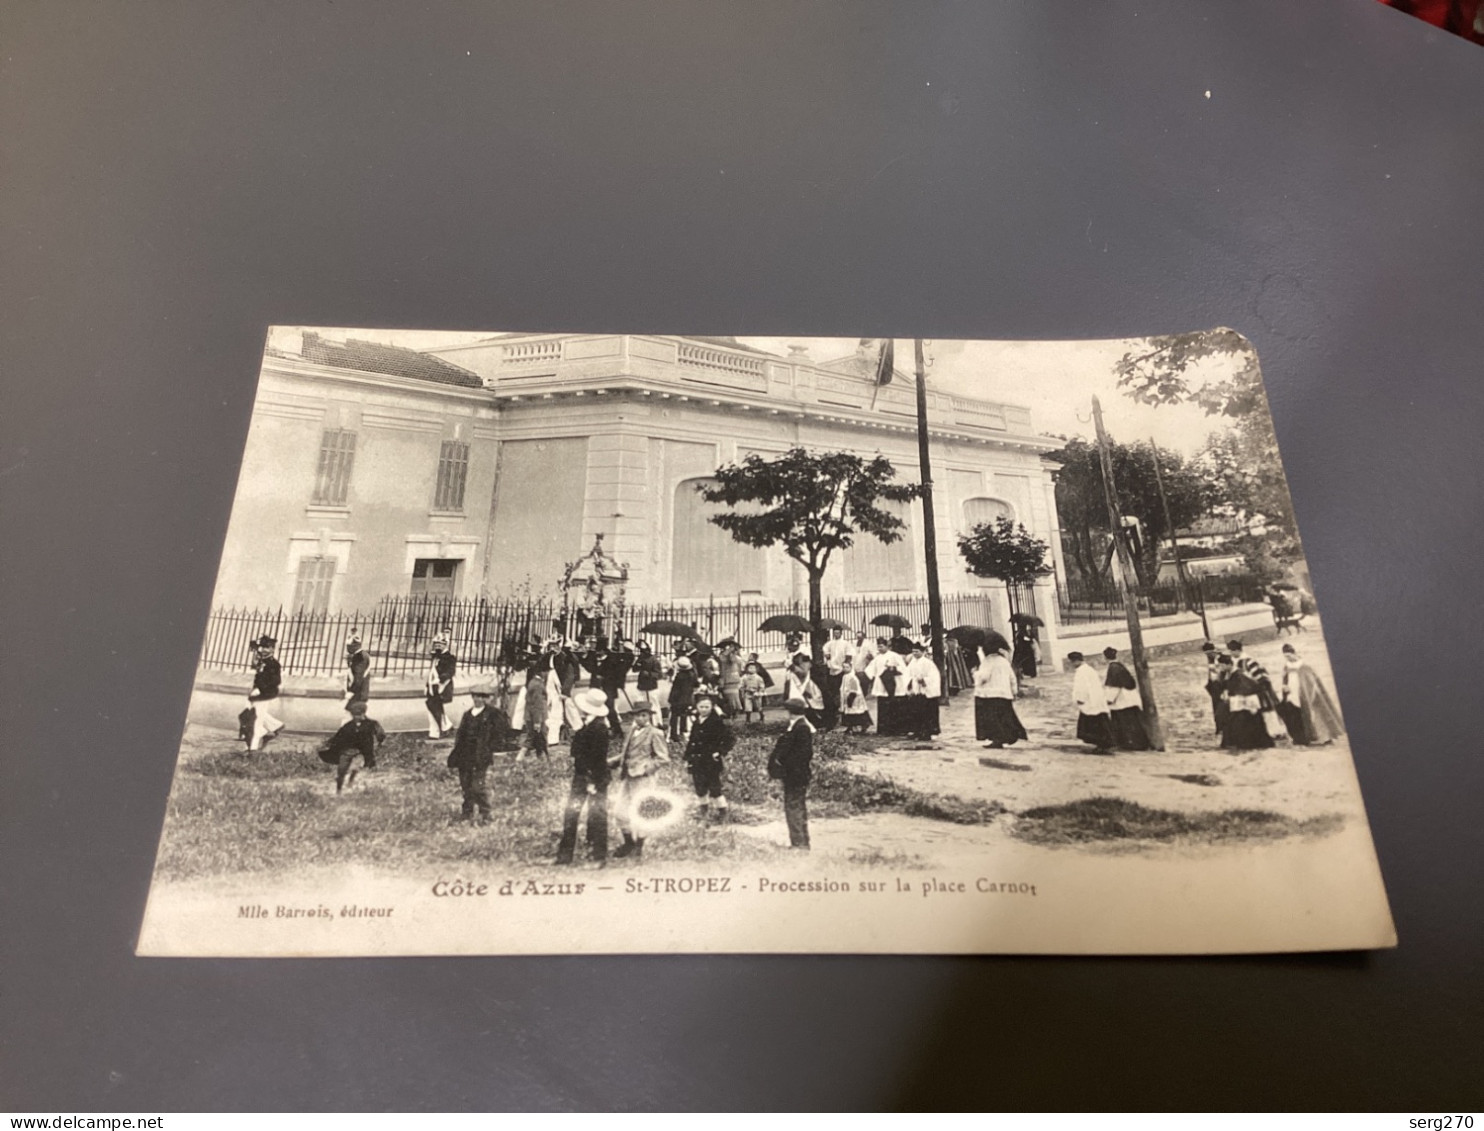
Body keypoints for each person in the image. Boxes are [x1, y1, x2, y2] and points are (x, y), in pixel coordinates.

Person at [556, 688, 613, 864]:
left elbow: (598, 758)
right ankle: (566, 856)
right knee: (572, 813)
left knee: (596, 816)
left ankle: (598, 856)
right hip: (582, 776)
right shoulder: (588, 724)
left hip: (593, 778)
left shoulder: (599, 728)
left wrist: (592, 781)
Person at [608, 702, 670, 859]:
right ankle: (628, 842)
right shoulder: (632, 730)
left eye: (644, 715)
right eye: (637, 715)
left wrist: (646, 769)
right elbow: (626, 752)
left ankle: (639, 846)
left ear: (649, 716)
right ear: (633, 717)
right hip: (627, 777)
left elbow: (663, 758)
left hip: (642, 779)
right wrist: (612, 762)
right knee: (619, 811)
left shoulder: (655, 733)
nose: (640, 718)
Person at [446, 681, 503, 823]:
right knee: (466, 786)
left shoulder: (492, 714)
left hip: (480, 756)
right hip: (465, 755)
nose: (479, 699)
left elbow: (499, 734)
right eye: (476, 696)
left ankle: (486, 814)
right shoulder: (467, 715)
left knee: (477, 786)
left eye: (482, 697)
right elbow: (460, 735)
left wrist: (489, 747)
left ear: (487, 698)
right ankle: (467, 813)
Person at [767, 699, 815, 849]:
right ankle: (801, 841)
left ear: (790, 712)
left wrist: (784, 767)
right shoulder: (798, 726)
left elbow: (803, 754)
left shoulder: (801, 728)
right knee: (796, 807)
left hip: (795, 775)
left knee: (793, 808)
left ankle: (799, 843)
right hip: (795, 774)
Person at [1278, 643, 1345, 745]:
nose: (1288, 658)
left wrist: (1309, 692)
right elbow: (1284, 679)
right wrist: (1284, 686)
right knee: (1298, 716)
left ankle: (1325, 738)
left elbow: (1311, 681)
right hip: (1293, 694)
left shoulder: (1305, 666)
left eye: (1289, 656)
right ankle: (1304, 738)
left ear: (1294, 653)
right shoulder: (1286, 666)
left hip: (1310, 694)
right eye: (1285, 656)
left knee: (1316, 714)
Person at [683, 694, 734, 822]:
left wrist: (719, 752)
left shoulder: (716, 722)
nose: (704, 709)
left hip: (710, 761)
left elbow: (730, 739)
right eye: (701, 706)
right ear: (697, 707)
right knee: (700, 787)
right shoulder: (696, 722)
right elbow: (692, 741)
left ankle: (723, 812)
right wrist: (687, 757)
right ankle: (704, 812)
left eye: (707, 707)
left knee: (715, 787)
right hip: (696, 761)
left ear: (712, 707)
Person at [317, 699, 385, 794]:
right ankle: (338, 790)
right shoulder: (348, 726)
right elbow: (337, 737)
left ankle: (351, 779)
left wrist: (380, 742)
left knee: (356, 766)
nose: (356, 717)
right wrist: (328, 743)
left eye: (358, 715)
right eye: (354, 715)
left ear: (363, 714)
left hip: (361, 751)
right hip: (347, 751)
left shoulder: (372, 724)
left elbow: (380, 734)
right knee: (341, 771)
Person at [1228, 638, 1286, 742]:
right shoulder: (1233, 662)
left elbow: (1262, 676)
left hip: (1258, 691)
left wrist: (1262, 688)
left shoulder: (1249, 661)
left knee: (1266, 711)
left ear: (1237, 650)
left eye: (1232, 651)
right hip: (1244, 693)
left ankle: (1275, 732)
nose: (1231, 653)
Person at [973, 643, 1027, 749]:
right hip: (1004, 693)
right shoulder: (1004, 661)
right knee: (1004, 717)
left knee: (993, 719)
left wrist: (975, 673)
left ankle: (997, 739)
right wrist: (1014, 691)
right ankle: (1009, 736)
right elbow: (1012, 677)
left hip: (990, 694)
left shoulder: (988, 661)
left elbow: (984, 677)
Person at [1217, 654, 1275, 750]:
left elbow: (1246, 690)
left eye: (1221, 665)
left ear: (1228, 664)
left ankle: (1248, 744)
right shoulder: (1230, 674)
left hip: (1246, 703)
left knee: (1244, 723)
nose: (1220, 668)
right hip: (1238, 703)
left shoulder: (1239, 675)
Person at [1102, 646, 1151, 750]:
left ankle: (1130, 744)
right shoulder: (1119, 666)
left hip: (1122, 700)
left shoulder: (1113, 668)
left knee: (1124, 723)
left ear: (1105, 658)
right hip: (1129, 698)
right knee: (1132, 722)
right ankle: (1137, 743)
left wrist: (1109, 699)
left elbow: (1114, 686)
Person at [1068, 651, 1114, 755]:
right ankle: (1103, 744)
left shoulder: (1081, 672)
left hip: (1090, 700)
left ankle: (1102, 744)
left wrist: (1080, 698)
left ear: (1076, 661)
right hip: (1095, 699)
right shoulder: (1088, 669)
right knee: (1100, 721)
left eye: (1072, 662)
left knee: (1093, 724)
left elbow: (1082, 687)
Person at [245, 635, 284, 751]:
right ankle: (275, 725)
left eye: (266, 647)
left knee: (257, 719)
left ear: (272, 649)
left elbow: (277, 681)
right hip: (257, 692)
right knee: (250, 713)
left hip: (265, 694)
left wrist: (262, 689)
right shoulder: (261, 660)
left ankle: (253, 749)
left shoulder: (274, 664)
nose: (263, 650)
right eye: (262, 647)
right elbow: (254, 666)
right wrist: (254, 650)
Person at [868, 639, 911, 736]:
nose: (880, 648)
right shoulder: (877, 658)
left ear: (887, 647)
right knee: (883, 707)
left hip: (894, 684)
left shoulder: (895, 656)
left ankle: (898, 730)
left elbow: (903, 668)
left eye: (882, 646)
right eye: (878, 646)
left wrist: (893, 668)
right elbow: (870, 670)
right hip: (881, 684)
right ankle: (884, 730)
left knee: (895, 707)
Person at [903, 644, 942, 741]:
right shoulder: (912, 662)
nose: (915, 654)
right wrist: (910, 682)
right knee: (916, 712)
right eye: (913, 652)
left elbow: (934, 677)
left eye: (917, 651)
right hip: (916, 691)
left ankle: (926, 733)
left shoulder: (928, 663)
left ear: (923, 652)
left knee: (926, 713)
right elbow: (907, 675)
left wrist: (924, 680)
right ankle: (917, 731)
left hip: (926, 692)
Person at [424, 633, 457, 740]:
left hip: (443, 686)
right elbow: (431, 672)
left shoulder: (450, 658)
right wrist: (427, 685)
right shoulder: (435, 657)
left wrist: (441, 679)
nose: (438, 646)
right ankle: (445, 727)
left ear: (445, 645)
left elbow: (450, 672)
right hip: (432, 687)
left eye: (441, 644)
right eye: (436, 644)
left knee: (433, 706)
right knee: (434, 707)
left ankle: (436, 732)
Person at [782, 655, 825, 729]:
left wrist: (792, 666)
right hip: (802, 689)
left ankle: (818, 722)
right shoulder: (794, 669)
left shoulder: (806, 666)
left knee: (814, 704)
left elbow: (802, 673)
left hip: (811, 687)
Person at [516, 666, 549, 761]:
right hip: (536, 717)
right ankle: (520, 757)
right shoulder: (538, 685)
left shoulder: (533, 682)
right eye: (546, 671)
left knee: (538, 739)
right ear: (541, 672)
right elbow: (537, 705)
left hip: (531, 717)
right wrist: (537, 721)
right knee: (535, 738)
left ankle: (542, 758)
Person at [822, 626, 853, 728]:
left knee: (842, 691)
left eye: (838, 633)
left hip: (841, 669)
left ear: (841, 633)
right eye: (835, 633)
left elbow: (849, 655)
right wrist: (827, 655)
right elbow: (825, 649)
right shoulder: (830, 643)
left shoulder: (845, 643)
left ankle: (843, 712)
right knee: (833, 691)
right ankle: (835, 712)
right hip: (832, 669)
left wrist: (845, 666)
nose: (836, 634)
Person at [1201, 641, 1230, 738]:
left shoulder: (1220, 659)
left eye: (1209, 653)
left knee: (1221, 707)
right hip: (1214, 687)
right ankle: (1219, 727)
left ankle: (1223, 727)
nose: (1208, 656)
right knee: (1216, 708)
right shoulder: (1211, 659)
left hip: (1220, 686)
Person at [667, 656, 698, 741]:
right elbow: (696, 685)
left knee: (674, 716)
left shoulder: (679, 676)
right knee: (684, 714)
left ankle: (674, 734)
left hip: (677, 699)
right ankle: (682, 730)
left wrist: (671, 699)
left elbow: (675, 689)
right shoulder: (692, 674)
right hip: (687, 698)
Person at [343, 631, 371, 716]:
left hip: (358, 693)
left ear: (355, 646)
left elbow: (358, 677)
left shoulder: (360, 657)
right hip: (359, 693)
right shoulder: (360, 655)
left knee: (352, 716)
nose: (348, 648)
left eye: (349, 646)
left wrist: (351, 692)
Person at [838, 665, 872, 733]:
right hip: (846, 696)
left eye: (847, 667)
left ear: (851, 668)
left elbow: (854, 689)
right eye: (844, 667)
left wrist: (851, 696)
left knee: (856, 711)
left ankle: (864, 725)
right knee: (848, 712)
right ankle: (850, 726)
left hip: (854, 696)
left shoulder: (853, 677)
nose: (845, 669)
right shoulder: (845, 676)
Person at [718, 642, 745, 719]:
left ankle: (734, 712)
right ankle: (731, 712)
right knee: (728, 697)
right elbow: (722, 657)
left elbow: (739, 668)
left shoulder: (737, 658)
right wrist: (730, 650)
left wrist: (731, 650)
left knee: (733, 697)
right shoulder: (723, 658)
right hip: (727, 680)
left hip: (732, 680)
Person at [633, 639, 663, 707]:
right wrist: (638, 664)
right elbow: (634, 669)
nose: (642, 652)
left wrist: (649, 674)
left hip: (651, 687)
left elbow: (659, 675)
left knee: (653, 705)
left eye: (644, 650)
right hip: (641, 686)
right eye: (641, 650)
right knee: (640, 705)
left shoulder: (654, 660)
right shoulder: (640, 659)